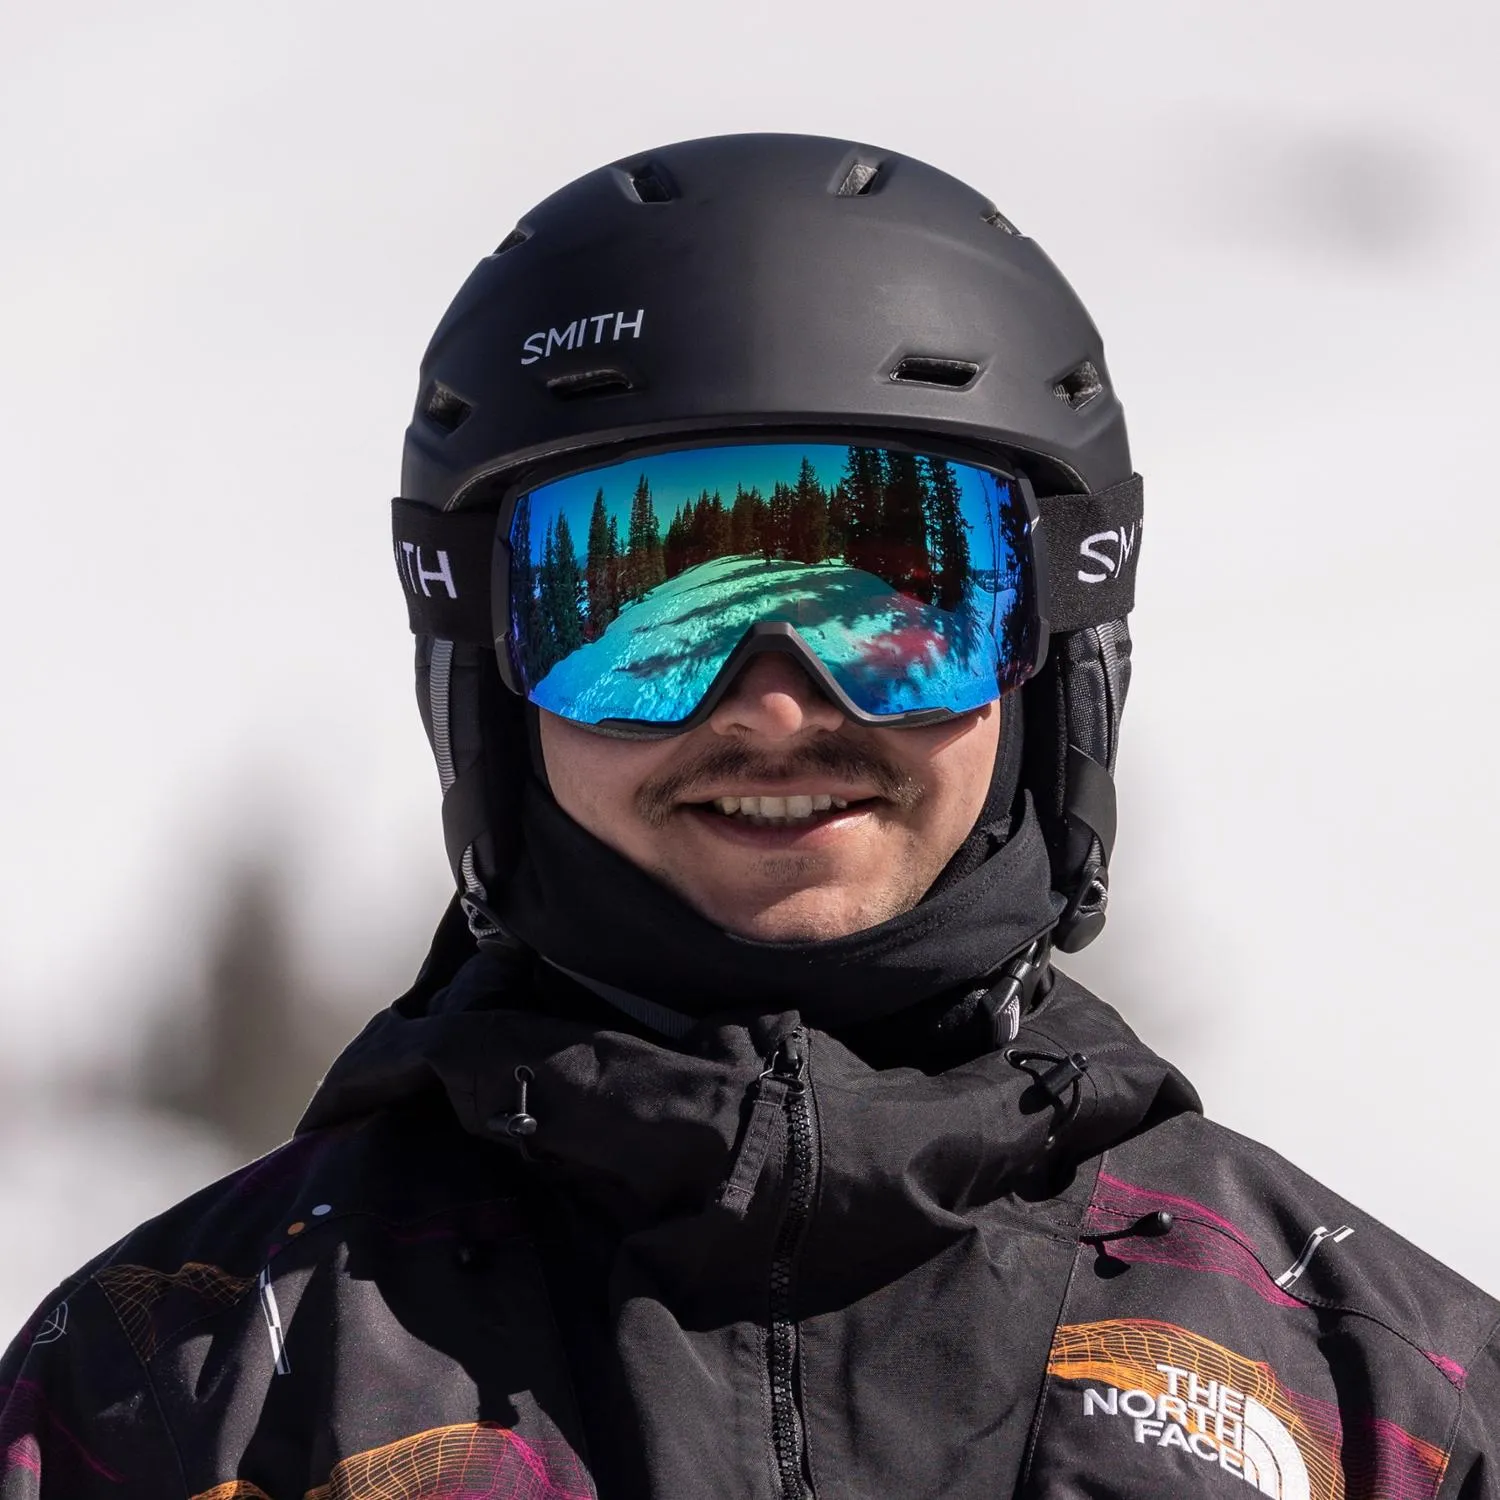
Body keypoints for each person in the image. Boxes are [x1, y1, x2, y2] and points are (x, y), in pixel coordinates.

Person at [2, 131, 1494, 1500]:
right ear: (491, 683)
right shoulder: (177, 1392)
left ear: (1053, 657)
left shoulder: (1379, 1401)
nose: (775, 711)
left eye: (897, 603)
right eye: (634, 614)